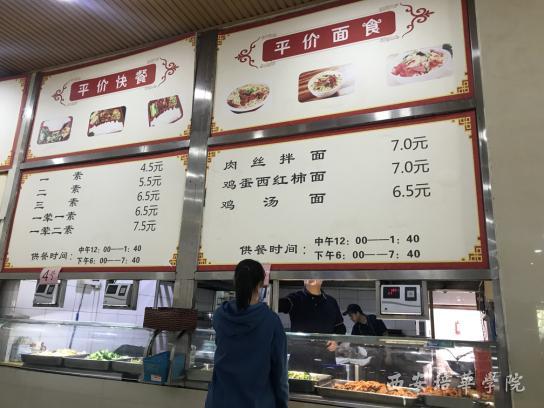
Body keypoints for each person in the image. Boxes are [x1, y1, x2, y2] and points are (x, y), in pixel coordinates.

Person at [205, 259, 288, 408]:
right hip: (256, 402)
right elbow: (280, 371)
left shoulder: (220, 315)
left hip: (219, 400)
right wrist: (282, 402)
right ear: (260, 284)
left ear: (235, 282)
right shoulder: (271, 321)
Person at [279, 279, 346, 373]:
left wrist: (336, 341)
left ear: (322, 280)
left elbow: (340, 328)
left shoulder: (331, 301)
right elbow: (277, 305)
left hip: (325, 360)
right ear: (303, 280)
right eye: (307, 275)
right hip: (300, 360)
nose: (311, 277)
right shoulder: (295, 298)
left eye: (315, 274)